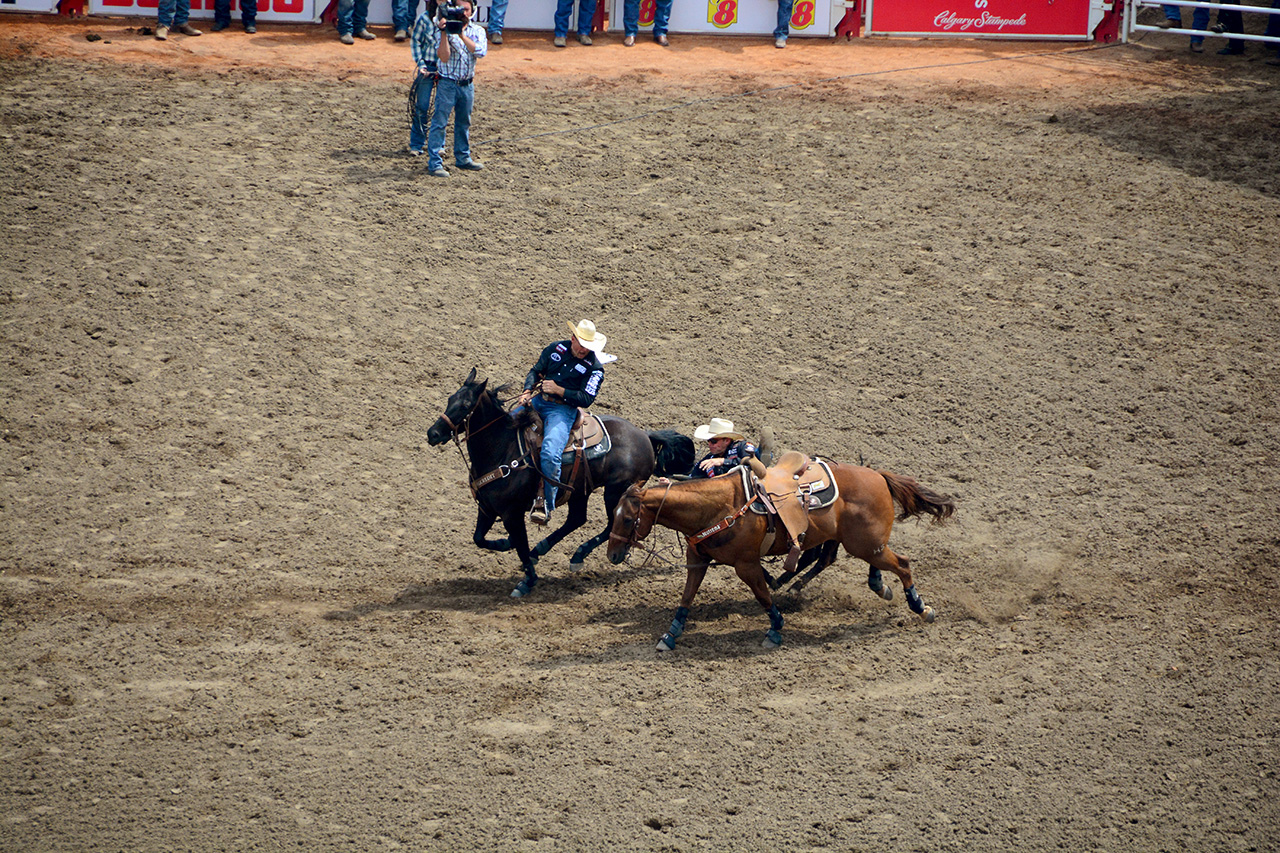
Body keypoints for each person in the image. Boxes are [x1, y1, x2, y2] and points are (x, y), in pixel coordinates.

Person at [516, 320, 607, 525]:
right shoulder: (554, 349)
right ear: (572, 338)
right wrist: (527, 391)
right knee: (505, 425)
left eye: (588, 346)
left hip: (563, 411)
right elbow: (536, 371)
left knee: (549, 452)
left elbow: (586, 399)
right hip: (538, 401)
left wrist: (559, 390)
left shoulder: (595, 368)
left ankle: (546, 504)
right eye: (581, 344)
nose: (584, 349)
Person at [423, 0, 487, 178]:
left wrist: (461, 36)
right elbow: (443, 57)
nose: (463, 13)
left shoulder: (477, 31)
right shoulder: (442, 29)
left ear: (472, 11)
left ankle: (463, 158)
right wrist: (444, 33)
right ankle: (435, 163)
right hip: (447, 83)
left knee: (463, 123)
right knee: (439, 123)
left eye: (466, 9)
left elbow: (480, 51)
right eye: (460, 9)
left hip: (467, 84)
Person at [408, 5, 441, 157]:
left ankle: (439, 144)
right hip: (427, 65)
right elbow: (416, 41)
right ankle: (416, 143)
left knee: (441, 108)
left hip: (445, 67)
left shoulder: (455, 19)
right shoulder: (425, 18)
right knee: (421, 106)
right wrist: (421, 64)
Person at [689, 418, 758, 479]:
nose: (709, 444)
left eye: (713, 441)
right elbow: (694, 476)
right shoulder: (710, 458)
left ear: (727, 441)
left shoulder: (741, 447)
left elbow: (752, 463)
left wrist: (723, 461)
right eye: (708, 441)